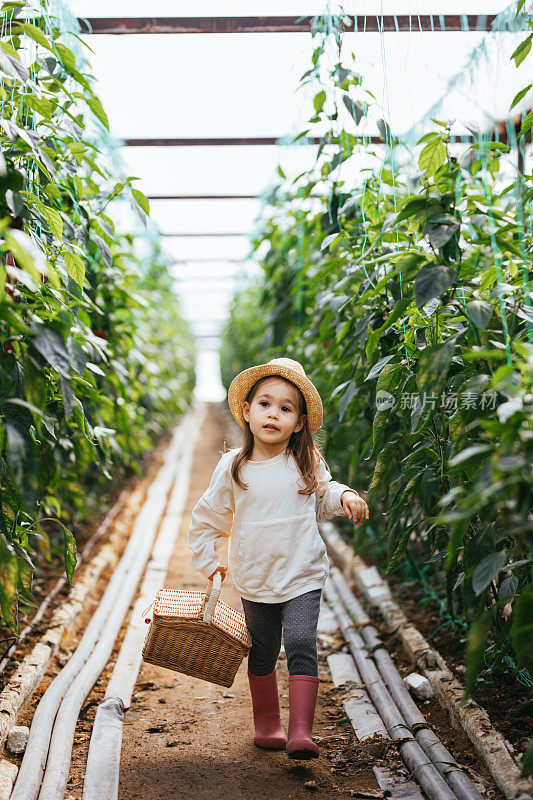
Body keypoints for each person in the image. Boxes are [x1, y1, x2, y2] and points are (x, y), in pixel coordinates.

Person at [188, 356, 369, 760]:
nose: (274, 414)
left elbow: (324, 493)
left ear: (299, 423)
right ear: (247, 411)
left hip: (302, 571)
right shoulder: (233, 466)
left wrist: (345, 497)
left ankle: (301, 731)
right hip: (255, 574)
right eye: (265, 404)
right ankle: (268, 723)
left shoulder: (305, 462)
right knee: (264, 647)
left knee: (303, 641)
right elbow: (209, 515)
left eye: (286, 408)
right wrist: (208, 558)